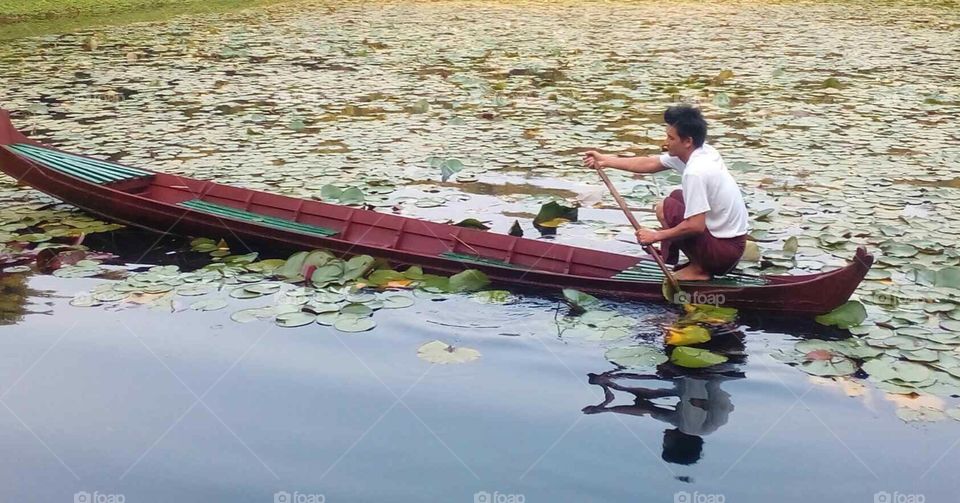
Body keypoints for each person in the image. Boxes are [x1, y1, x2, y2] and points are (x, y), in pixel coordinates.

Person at [583, 105, 748, 281]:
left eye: (671, 138)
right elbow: (649, 164)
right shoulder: (703, 151)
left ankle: (700, 269)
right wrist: (606, 160)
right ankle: (676, 259)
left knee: (669, 207)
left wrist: (656, 235)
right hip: (728, 246)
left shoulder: (696, 171)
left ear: (687, 141)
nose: (666, 142)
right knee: (673, 199)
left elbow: (696, 226)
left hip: (723, 254)